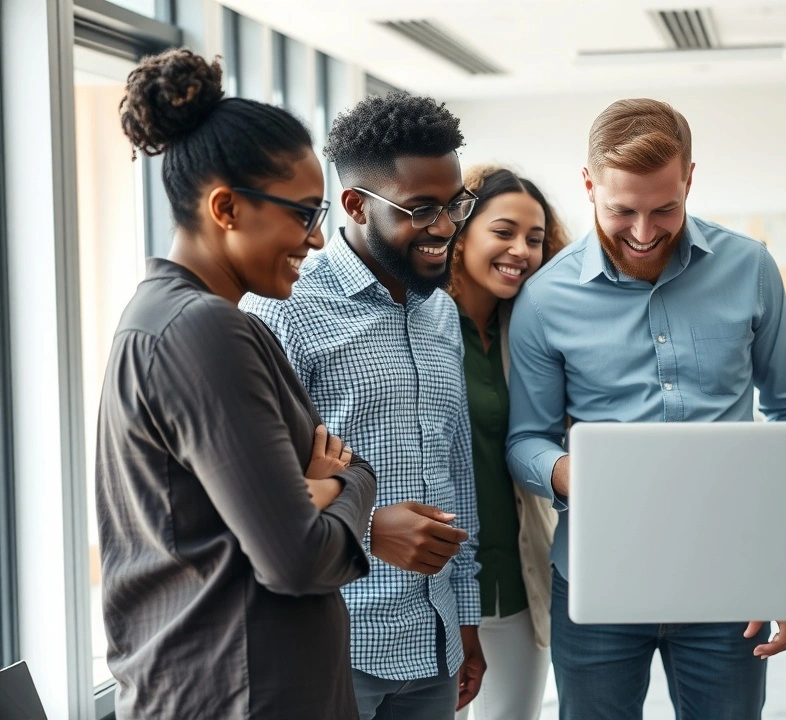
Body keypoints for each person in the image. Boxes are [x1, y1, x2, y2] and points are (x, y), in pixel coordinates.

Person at [504, 98, 786, 719]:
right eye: (622, 210)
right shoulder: (544, 300)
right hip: (599, 578)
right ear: (588, 185)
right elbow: (526, 440)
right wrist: (570, 473)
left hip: (728, 576)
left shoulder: (749, 268)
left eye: (664, 209)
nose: (644, 234)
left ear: (690, 180)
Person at [98, 48, 376, 719]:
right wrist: (349, 487)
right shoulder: (203, 332)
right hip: (242, 694)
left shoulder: (168, 316)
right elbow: (299, 559)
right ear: (225, 207)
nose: (316, 241)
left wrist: (324, 488)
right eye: (304, 214)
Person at [242, 92, 483, 719]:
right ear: (355, 205)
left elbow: (455, 466)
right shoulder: (282, 310)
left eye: (455, 202)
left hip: (434, 638)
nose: (447, 226)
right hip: (332, 639)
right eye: (422, 209)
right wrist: (368, 529)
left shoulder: (440, 310)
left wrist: (466, 616)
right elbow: (248, 489)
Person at [448, 165, 567, 720]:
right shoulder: (424, 326)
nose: (521, 250)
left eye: (535, 238)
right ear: (460, 231)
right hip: (439, 581)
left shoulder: (536, 331)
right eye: (504, 231)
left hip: (520, 577)